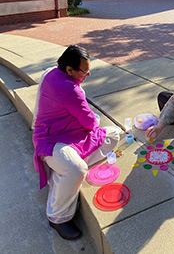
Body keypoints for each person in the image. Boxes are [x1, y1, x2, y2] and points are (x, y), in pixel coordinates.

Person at [32, 45, 120, 240]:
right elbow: (89, 121)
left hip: (70, 134)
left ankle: (63, 171)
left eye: (89, 70)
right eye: (84, 71)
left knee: (113, 134)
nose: (87, 75)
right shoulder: (70, 89)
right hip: (52, 140)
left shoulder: (50, 73)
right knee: (77, 169)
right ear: (69, 70)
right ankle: (57, 217)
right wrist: (95, 120)